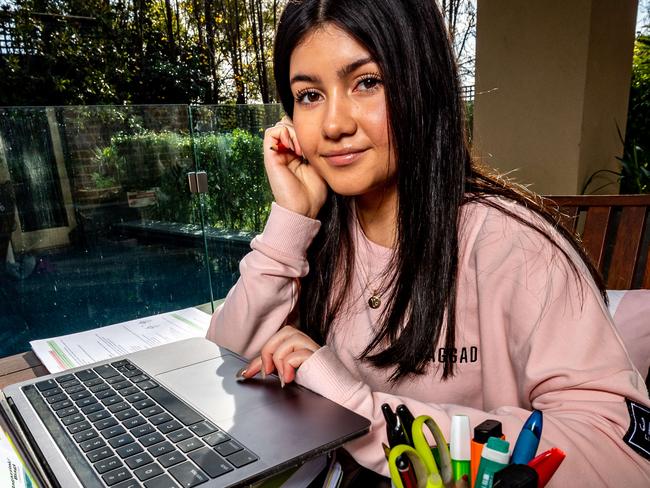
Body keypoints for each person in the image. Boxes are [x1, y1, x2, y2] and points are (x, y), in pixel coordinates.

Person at [206, 0, 650, 485]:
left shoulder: (516, 247)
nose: (333, 125)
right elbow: (227, 366)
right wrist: (291, 221)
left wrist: (360, 412)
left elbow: (619, 456)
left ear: (424, 85)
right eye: (310, 94)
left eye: (367, 82)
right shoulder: (322, 232)